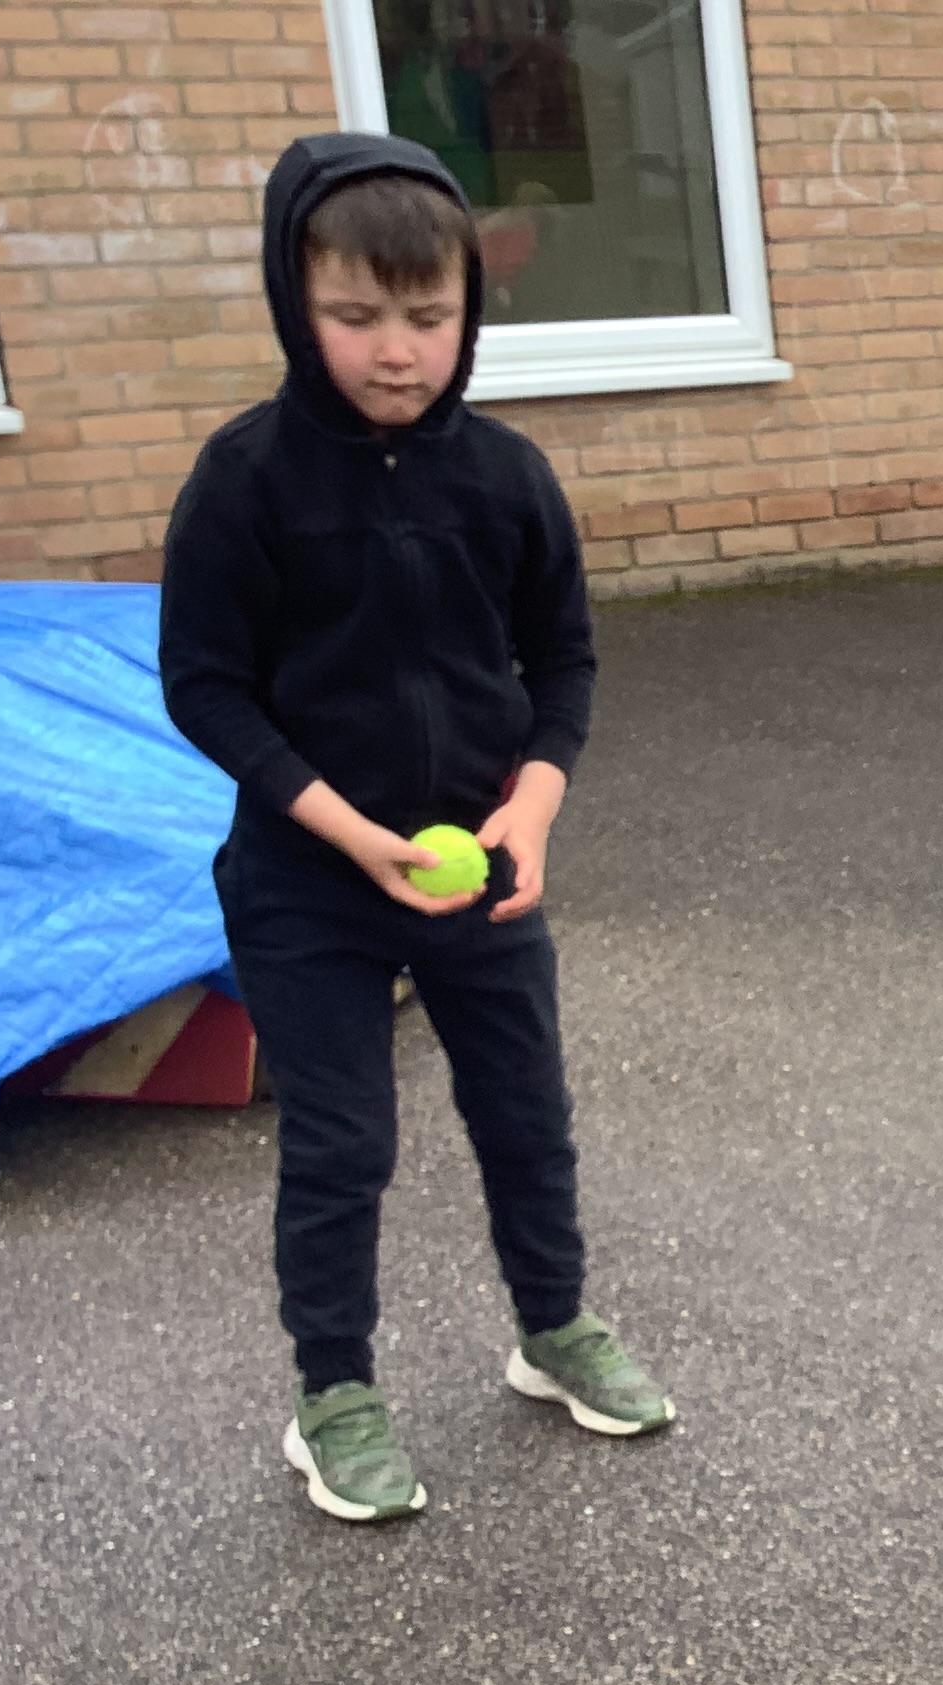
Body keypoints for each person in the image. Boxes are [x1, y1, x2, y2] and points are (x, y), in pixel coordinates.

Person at [160, 132, 672, 1523]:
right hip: (307, 881)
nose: (397, 351)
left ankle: (552, 1329)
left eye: (428, 316)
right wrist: (346, 831)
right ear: (296, 303)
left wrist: (535, 805)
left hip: (480, 869)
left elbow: (562, 662)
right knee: (342, 1145)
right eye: (355, 315)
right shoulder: (246, 478)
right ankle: (332, 1396)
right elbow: (203, 686)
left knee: (527, 1117)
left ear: (469, 310)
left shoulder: (504, 476)